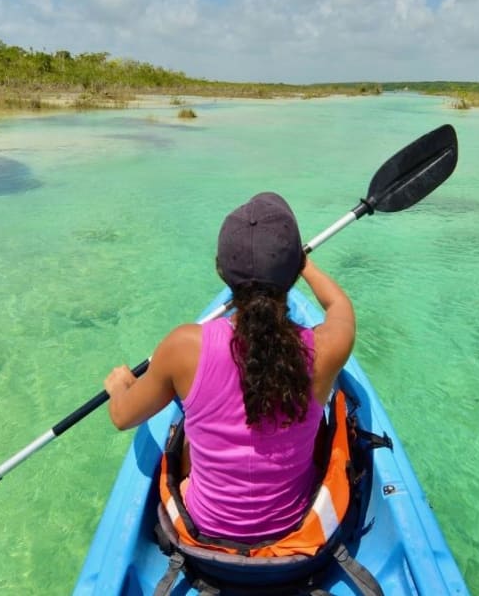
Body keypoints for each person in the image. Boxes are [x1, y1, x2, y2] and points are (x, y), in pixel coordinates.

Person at [105, 192, 356, 542]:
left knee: (190, 430)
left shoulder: (183, 347)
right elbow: (338, 305)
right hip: (292, 531)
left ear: (221, 270)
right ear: (293, 272)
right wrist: (304, 263)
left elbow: (122, 417)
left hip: (205, 532)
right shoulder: (328, 346)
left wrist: (120, 387)